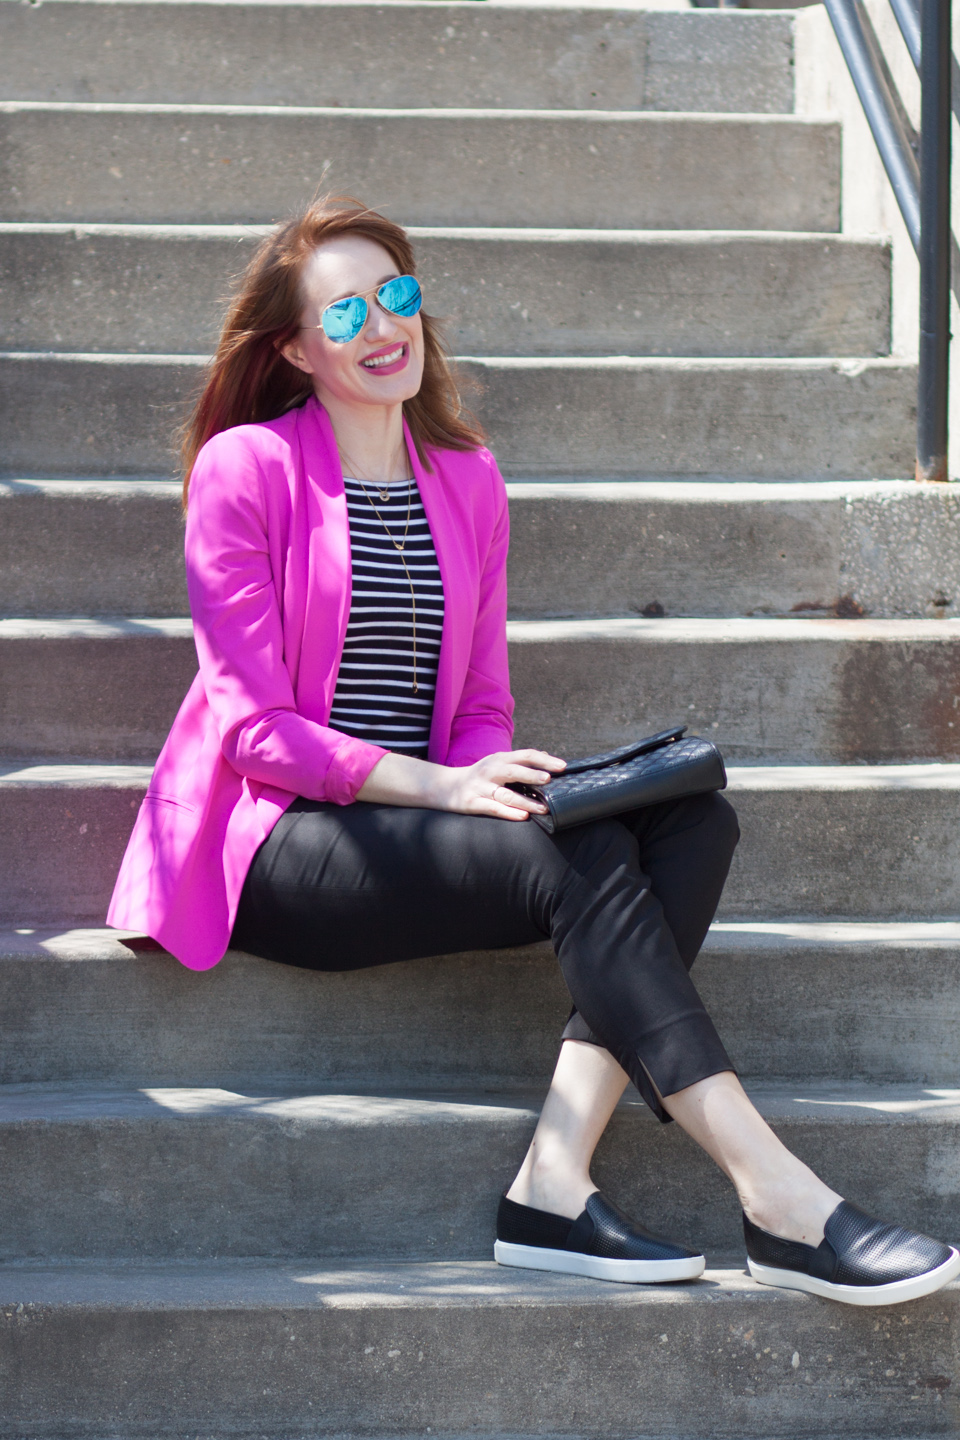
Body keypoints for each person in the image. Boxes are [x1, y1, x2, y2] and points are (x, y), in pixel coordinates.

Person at [108, 195, 959, 1307]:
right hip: (280, 837)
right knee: (576, 855)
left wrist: (488, 776)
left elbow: (480, 701)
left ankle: (554, 1182)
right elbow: (255, 732)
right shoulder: (246, 468)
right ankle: (779, 1197)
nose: (384, 325)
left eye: (397, 294)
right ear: (296, 349)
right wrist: (448, 790)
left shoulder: (466, 478)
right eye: (346, 311)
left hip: (420, 816)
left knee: (689, 820)